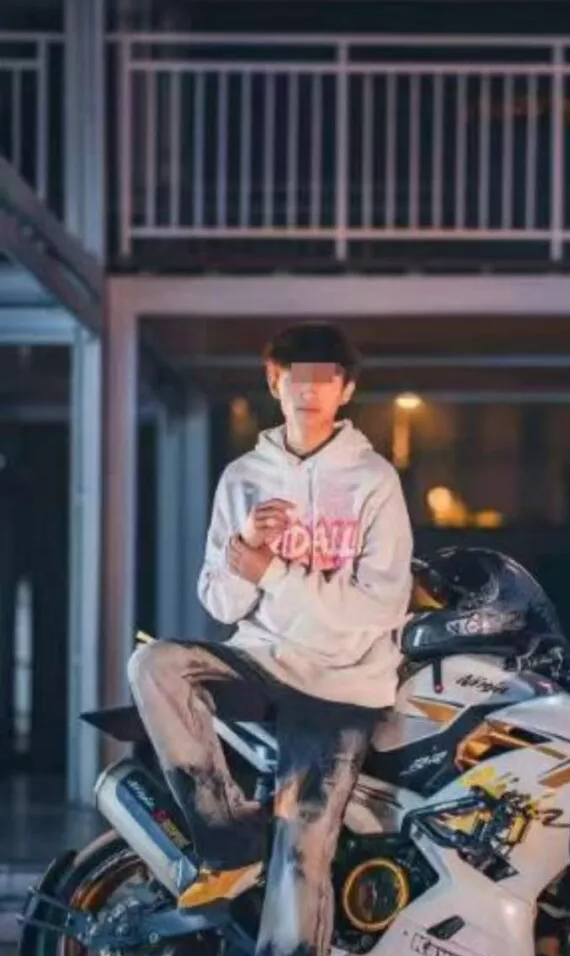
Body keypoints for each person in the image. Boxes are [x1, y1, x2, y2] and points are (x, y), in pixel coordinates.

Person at [127, 321, 414, 956]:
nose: (309, 393)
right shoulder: (243, 478)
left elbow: (379, 606)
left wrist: (276, 573)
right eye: (295, 380)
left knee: (302, 849)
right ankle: (228, 846)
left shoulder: (373, 480)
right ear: (274, 382)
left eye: (324, 381)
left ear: (345, 390)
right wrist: (247, 546)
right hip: (263, 659)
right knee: (154, 663)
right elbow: (220, 602)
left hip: (344, 680)